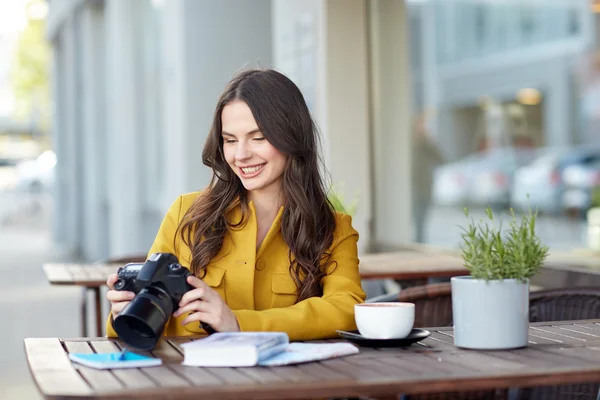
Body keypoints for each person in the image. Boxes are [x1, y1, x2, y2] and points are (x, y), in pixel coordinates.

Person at [105, 69, 366, 341]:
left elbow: (346, 307)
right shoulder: (186, 212)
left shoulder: (333, 229)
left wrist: (238, 322)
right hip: (192, 379)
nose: (241, 155)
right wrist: (122, 312)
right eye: (230, 140)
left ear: (292, 136)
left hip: (286, 382)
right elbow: (130, 326)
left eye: (259, 137)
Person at [411, 115, 444, 244]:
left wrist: (428, 140)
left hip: (424, 188)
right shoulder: (409, 144)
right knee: (415, 220)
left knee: (421, 221)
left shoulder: (426, 144)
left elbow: (440, 158)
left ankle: (419, 244)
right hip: (412, 189)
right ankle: (417, 243)